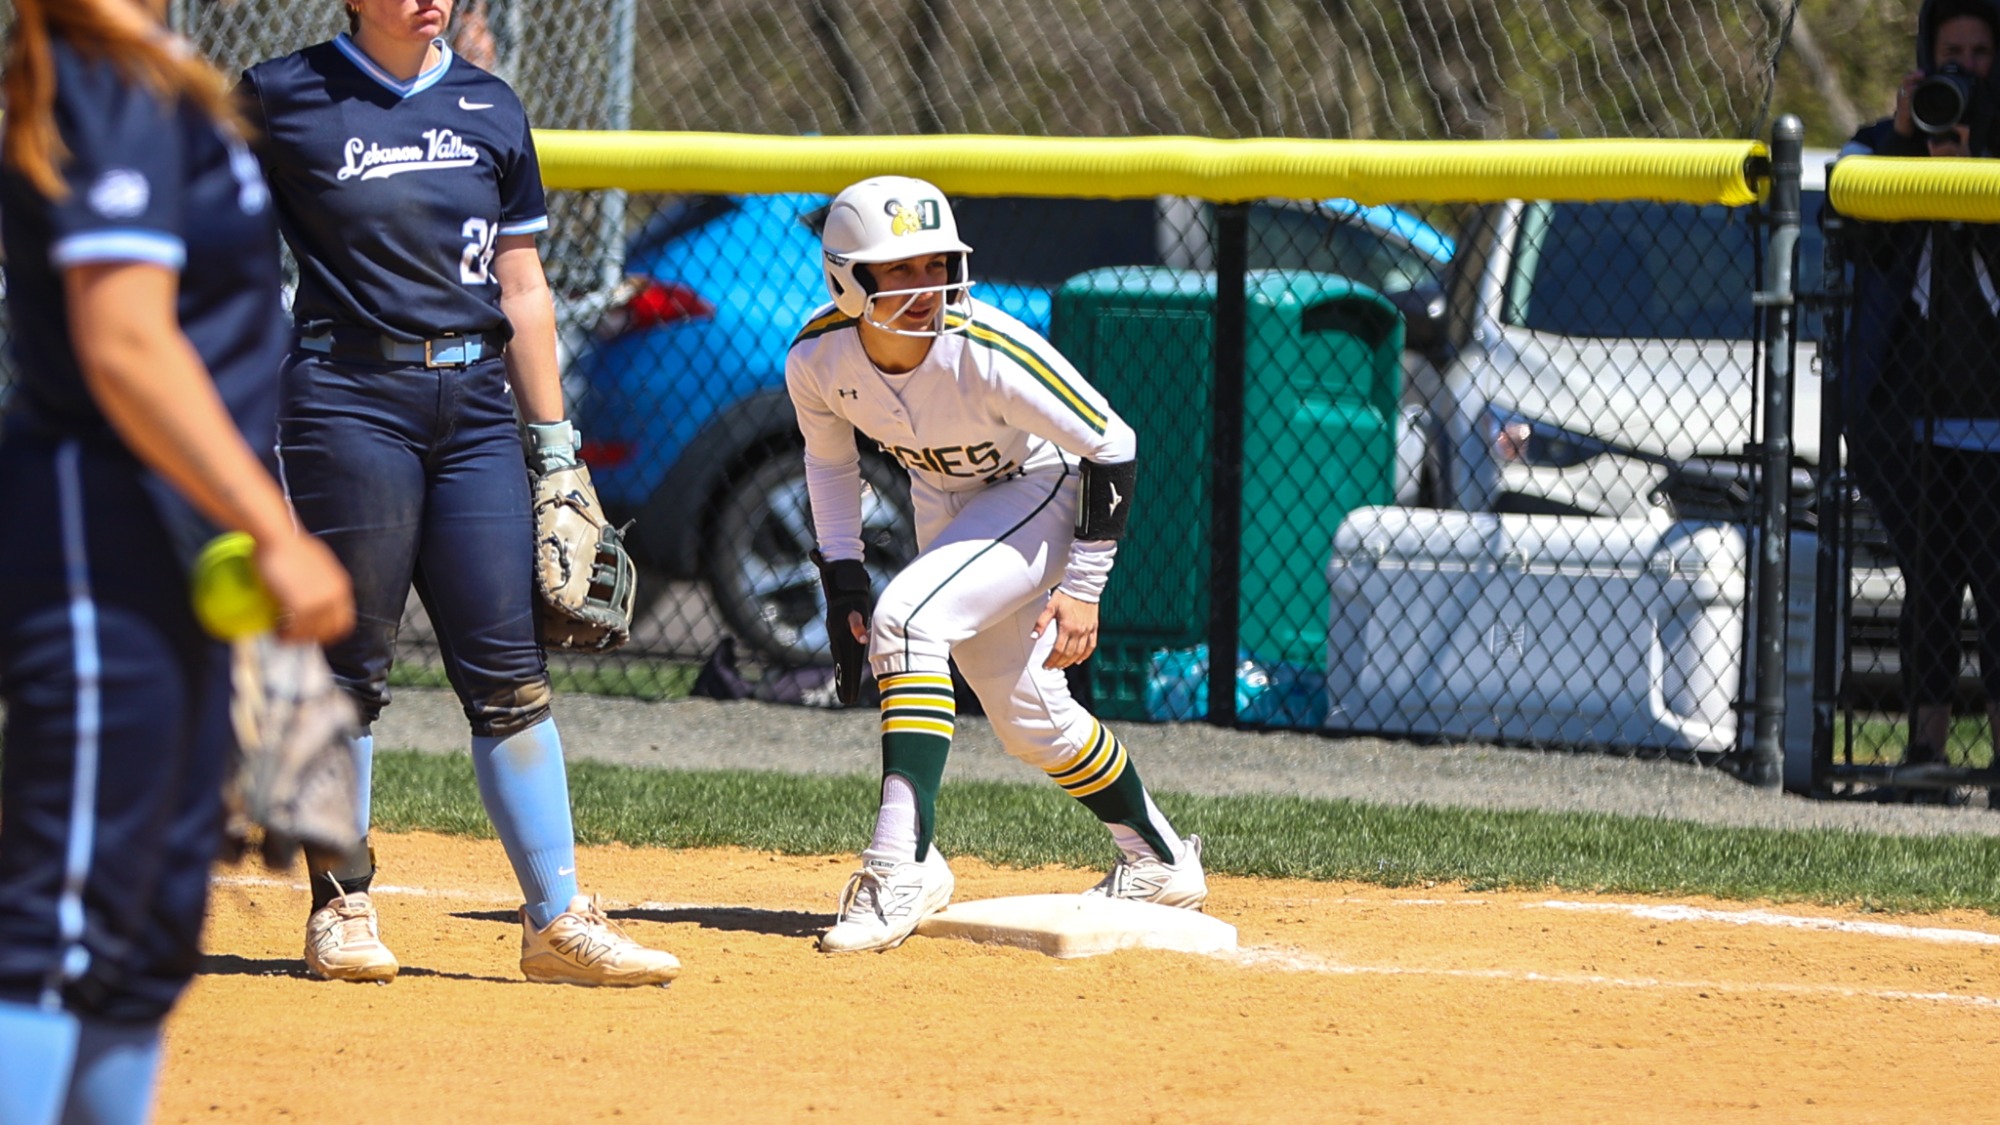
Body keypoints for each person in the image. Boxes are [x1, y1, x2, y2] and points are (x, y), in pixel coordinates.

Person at [237, 0, 680, 984]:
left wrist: (558, 451)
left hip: (477, 408)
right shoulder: (282, 96)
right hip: (347, 397)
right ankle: (340, 907)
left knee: (508, 666)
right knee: (349, 665)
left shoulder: (488, 103)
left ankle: (556, 918)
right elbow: (222, 257)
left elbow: (520, 281)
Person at [0, 1, 357, 1120]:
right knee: (68, 917)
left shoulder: (159, 75)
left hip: (179, 546)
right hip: (101, 543)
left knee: (150, 923)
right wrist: (274, 527)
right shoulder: (100, 79)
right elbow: (124, 340)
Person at [787, 176, 1208, 953]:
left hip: (1038, 487)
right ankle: (1158, 857)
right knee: (1027, 718)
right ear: (850, 279)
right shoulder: (819, 357)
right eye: (902, 269)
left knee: (910, 619)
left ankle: (901, 860)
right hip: (944, 500)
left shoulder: (987, 348)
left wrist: (1084, 589)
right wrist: (841, 578)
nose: (927, 286)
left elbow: (1113, 444)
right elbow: (829, 464)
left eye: (937, 263)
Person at [1837, 0, 2000, 798]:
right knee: (1931, 576)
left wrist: (1975, 173)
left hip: (1994, 406)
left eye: (1979, 52)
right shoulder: (1886, 146)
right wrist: (1909, 139)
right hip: (1910, 411)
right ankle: (1924, 749)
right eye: (1950, 52)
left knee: (1997, 579)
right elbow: (1853, 218)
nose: (1964, 67)